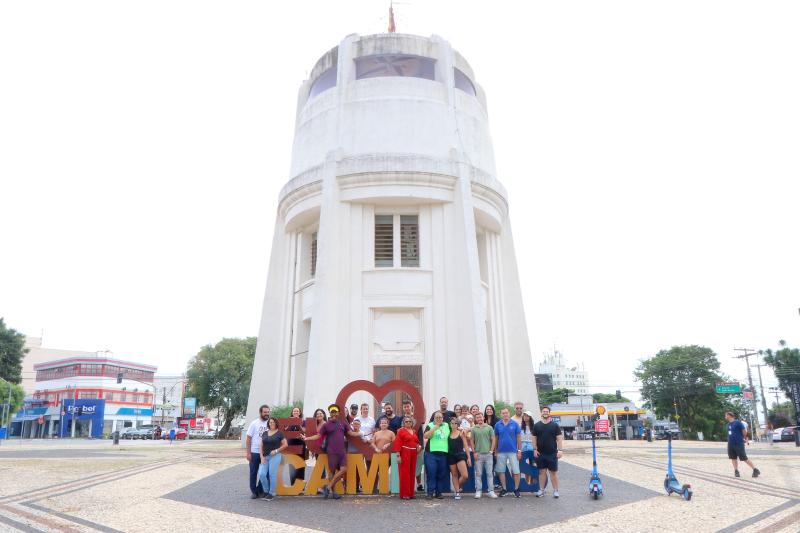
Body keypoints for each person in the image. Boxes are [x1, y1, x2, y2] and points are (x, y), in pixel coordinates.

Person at [302, 404, 349, 499]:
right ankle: (334, 493)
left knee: (343, 469)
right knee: (331, 472)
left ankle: (328, 487)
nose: (334, 414)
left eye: (335, 412)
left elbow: (350, 433)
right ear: (330, 413)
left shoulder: (343, 423)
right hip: (331, 451)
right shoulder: (326, 425)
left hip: (342, 451)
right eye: (332, 412)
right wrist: (307, 438)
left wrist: (361, 434)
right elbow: (318, 436)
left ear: (338, 413)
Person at [534, 405, 563, 498]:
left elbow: (559, 439)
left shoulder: (555, 425)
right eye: (544, 411)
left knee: (553, 473)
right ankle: (541, 490)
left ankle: (555, 491)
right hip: (540, 453)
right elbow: (534, 438)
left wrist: (560, 450)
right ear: (541, 413)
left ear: (549, 413)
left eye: (547, 411)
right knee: (542, 473)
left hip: (552, 453)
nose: (545, 413)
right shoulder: (537, 425)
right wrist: (535, 449)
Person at [494, 407, 522, 497]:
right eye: (503, 413)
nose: (505, 414)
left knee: (516, 471)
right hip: (501, 451)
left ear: (509, 413)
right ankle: (504, 489)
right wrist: (495, 450)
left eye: (506, 413)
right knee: (501, 471)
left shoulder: (515, 424)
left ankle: (516, 489)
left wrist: (519, 450)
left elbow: (518, 438)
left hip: (513, 451)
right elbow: (496, 438)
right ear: (501, 414)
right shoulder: (498, 425)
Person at [259, 417, 288, 501]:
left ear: (276, 423)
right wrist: (261, 457)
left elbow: (285, 444)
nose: (271, 423)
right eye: (270, 422)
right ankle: (266, 491)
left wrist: (276, 450)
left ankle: (271, 493)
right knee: (261, 474)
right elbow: (260, 446)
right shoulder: (265, 433)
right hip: (265, 456)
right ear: (268, 424)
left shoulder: (279, 433)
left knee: (272, 474)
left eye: (273, 422)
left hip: (275, 456)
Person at [245, 405, 271, 499]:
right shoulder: (254, 423)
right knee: (253, 472)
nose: (266, 414)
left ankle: (260, 490)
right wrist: (248, 453)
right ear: (260, 412)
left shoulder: (270, 423)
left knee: (265, 473)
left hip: (266, 453)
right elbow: (248, 438)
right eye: (265, 412)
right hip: (254, 452)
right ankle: (254, 492)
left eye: (268, 412)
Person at [423, 411, 450, 499]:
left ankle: (439, 492)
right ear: (434, 418)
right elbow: (426, 436)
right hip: (431, 454)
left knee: (441, 474)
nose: (439, 419)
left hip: (443, 454)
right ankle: (430, 493)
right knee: (431, 473)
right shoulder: (430, 425)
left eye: (440, 417)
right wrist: (436, 427)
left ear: (443, 418)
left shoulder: (446, 425)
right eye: (437, 417)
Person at [725, 411, 761, 478]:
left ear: (730, 415)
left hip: (738, 443)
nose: (725, 416)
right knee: (733, 458)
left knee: (744, 457)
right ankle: (736, 471)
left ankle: (755, 469)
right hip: (730, 443)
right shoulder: (728, 425)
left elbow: (744, 431)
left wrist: (743, 438)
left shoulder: (738, 423)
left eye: (726, 415)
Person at [394, 416, 422, 499]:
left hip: (413, 453)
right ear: (403, 423)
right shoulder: (400, 431)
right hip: (405, 453)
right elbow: (398, 443)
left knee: (412, 473)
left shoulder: (413, 431)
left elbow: (416, 441)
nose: (408, 423)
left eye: (410, 421)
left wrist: (418, 446)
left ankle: (411, 493)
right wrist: (398, 456)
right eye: (406, 421)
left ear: (412, 423)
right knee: (404, 474)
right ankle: (405, 494)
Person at [471, 412, 497, 498]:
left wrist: (491, 451)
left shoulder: (489, 428)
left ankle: (491, 491)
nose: (479, 419)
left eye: (480, 417)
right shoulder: (474, 429)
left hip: (488, 454)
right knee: (478, 474)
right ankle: (478, 491)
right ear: (476, 419)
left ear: (483, 418)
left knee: (490, 473)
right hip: (478, 454)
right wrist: (474, 452)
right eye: (477, 418)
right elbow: (472, 441)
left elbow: (493, 439)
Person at [447, 417, 471, 499]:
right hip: (450, 455)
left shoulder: (461, 433)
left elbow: (466, 446)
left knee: (465, 475)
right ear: (450, 424)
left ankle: (456, 487)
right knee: (454, 474)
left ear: (458, 424)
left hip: (460, 455)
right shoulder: (448, 433)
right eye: (452, 423)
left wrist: (469, 458)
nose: (453, 425)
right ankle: (457, 492)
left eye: (455, 423)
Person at [520, 411, 536, 486]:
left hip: (532, 448)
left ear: (530, 417)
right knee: (524, 466)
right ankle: (526, 482)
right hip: (523, 448)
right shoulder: (520, 427)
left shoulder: (534, 427)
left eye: (528, 416)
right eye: (525, 416)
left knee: (532, 465)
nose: (526, 417)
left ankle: (532, 483)